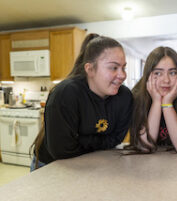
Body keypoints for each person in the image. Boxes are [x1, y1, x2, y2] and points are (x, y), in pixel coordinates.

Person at [30, 33, 133, 171]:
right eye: (114, 67)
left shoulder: (125, 97)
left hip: (92, 162)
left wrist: (80, 139)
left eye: (123, 67)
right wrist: (100, 141)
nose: (122, 75)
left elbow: (117, 138)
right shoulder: (66, 94)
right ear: (90, 69)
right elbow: (62, 150)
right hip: (51, 166)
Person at [129, 46, 177, 153]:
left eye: (172, 73)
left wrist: (167, 104)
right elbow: (145, 146)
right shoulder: (137, 97)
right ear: (148, 76)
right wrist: (156, 102)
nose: (166, 80)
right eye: (158, 73)